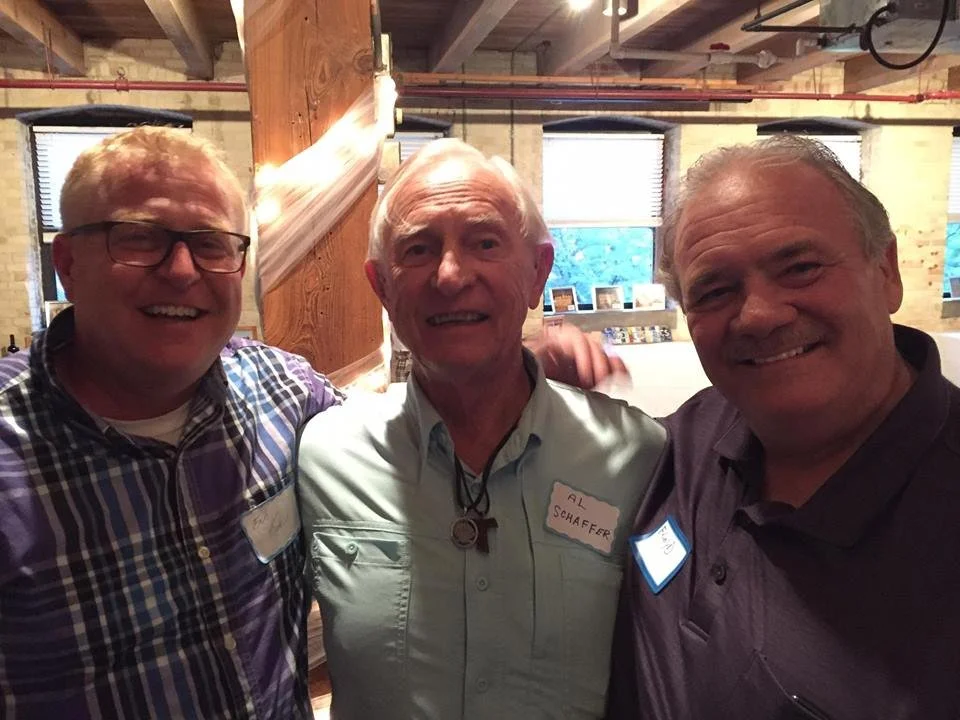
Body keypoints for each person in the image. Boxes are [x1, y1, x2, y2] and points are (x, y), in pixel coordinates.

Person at [297, 138, 667, 719]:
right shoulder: (324, 453)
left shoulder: (634, 456)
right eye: (417, 249)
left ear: (538, 270)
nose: (450, 275)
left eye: (485, 242)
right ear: (382, 287)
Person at [605, 135, 960, 719]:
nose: (760, 315)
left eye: (800, 267)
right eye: (715, 290)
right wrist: (518, 385)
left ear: (887, 271)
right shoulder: (690, 440)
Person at [0, 126, 343, 718]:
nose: (182, 270)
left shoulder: (286, 393)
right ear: (68, 263)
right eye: (139, 237)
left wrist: (518, 374)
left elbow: (403, 439)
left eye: (211, 244)